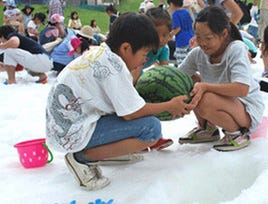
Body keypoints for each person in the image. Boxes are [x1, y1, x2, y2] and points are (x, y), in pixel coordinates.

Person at [45, 12, 191, 190]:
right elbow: (132, 114)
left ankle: (109, 153)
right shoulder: (113, 68)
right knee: (151, 129)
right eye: (144, 53)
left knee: (140, 118)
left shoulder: (103, 53)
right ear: (126, 48)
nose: (146, 59)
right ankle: (82, 158)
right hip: (73, 131)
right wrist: (170, 105)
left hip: (67, 126)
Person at [178, 6, 265, 151]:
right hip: (221, 103)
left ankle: (236, 134)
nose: (202, 42)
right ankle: (207, 128)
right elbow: (178, 76)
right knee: (187, 82)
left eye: (208, 38)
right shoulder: (198, 54)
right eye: (198, 37)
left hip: (245, 109)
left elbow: (242, 89)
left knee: (204, 97)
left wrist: (205, 86)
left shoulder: (236, 49)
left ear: (224, 33)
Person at [167, 0, 194, 66]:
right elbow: (191, 22)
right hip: (191, 39)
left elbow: (177, 28)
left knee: (182, 63)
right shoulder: (186, 12)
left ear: (172, 4)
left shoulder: (175, 14)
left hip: (182, 42)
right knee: (191, 61)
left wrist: (169, 36)